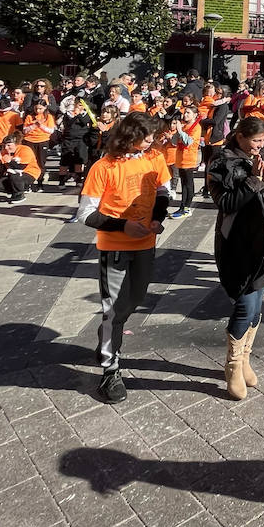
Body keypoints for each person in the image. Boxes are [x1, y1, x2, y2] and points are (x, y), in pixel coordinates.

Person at [81, 112, 172, 404]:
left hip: (146, 244)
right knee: (114, 309)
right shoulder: (103, 166)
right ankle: (110, 370)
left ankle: (110, 331)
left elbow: (163, 190)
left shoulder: (154, 157)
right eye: (146, 137)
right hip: (115, 246)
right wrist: (123, 225)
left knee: (133, 301)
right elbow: (86, 213)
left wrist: (157, 218)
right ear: (129, 135)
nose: (151, 141)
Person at [210, 116, 264, 400]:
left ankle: (245, 357)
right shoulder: (221, 161)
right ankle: (233, 365)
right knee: (246, 303)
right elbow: (224, 203)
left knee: (258, 301)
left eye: (263, 140)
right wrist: (252, 183)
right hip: (239, 240)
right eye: (255, 141)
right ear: (239, 136)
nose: (260, 146)